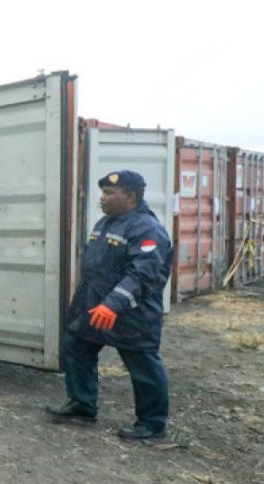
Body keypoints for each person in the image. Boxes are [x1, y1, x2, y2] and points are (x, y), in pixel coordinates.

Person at [47, 170, 174, 440]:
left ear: (130, 196)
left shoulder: (147, 229)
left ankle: (152, 423)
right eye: (103, 192)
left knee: (143, 366)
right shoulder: (106, 223)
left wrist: (114, 304)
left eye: (109, 193)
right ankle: (82, 405)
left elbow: (143, 274)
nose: (102, 198)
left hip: (131, 312)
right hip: (95, 307)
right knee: (76, 346)